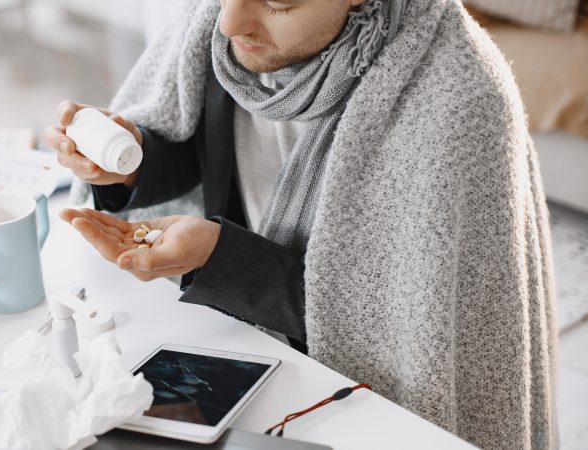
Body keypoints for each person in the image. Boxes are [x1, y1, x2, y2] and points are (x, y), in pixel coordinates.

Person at [43, 0, 557, 448]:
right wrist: (130, 166)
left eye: (280, 3)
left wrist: (219, 256)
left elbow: (386, 322)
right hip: (237, 333)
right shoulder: (224, 25)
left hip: (354, 393)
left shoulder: (456, 101)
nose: (229, 22)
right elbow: (196, 145)